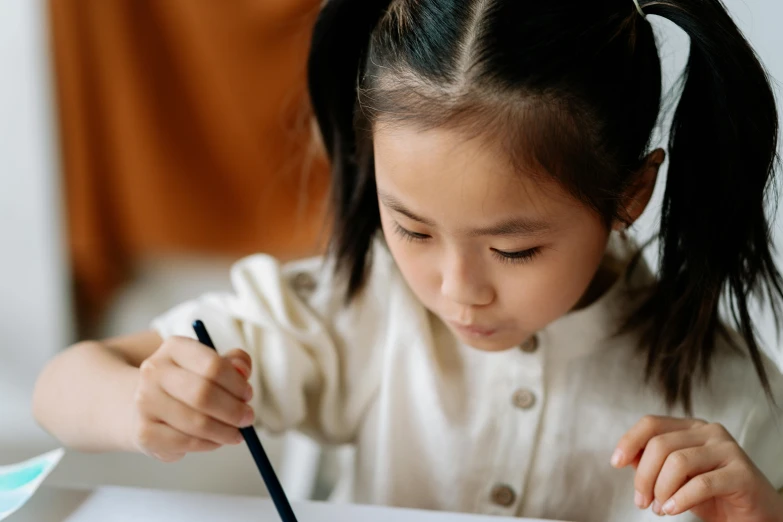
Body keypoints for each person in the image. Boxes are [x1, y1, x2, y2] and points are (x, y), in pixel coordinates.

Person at [32, 0, 783, 520]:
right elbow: (63, 385)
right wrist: (140, 407)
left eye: (512, 249)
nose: (457, 292)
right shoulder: (352, 313)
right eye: (413, 231)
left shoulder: (731, 400)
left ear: (629, 192)